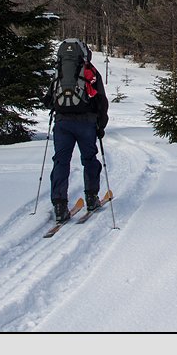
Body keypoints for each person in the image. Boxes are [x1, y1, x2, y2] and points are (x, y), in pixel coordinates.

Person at [44, 38, 109, 223]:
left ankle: (59, 205)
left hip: (62, 123)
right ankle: (91, 197)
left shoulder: (60, 72)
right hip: (86, 123)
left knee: (61, 161)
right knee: (89, 159)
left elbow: (48, 99)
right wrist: (101, 125)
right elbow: (101, 101)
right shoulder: (90, 72)